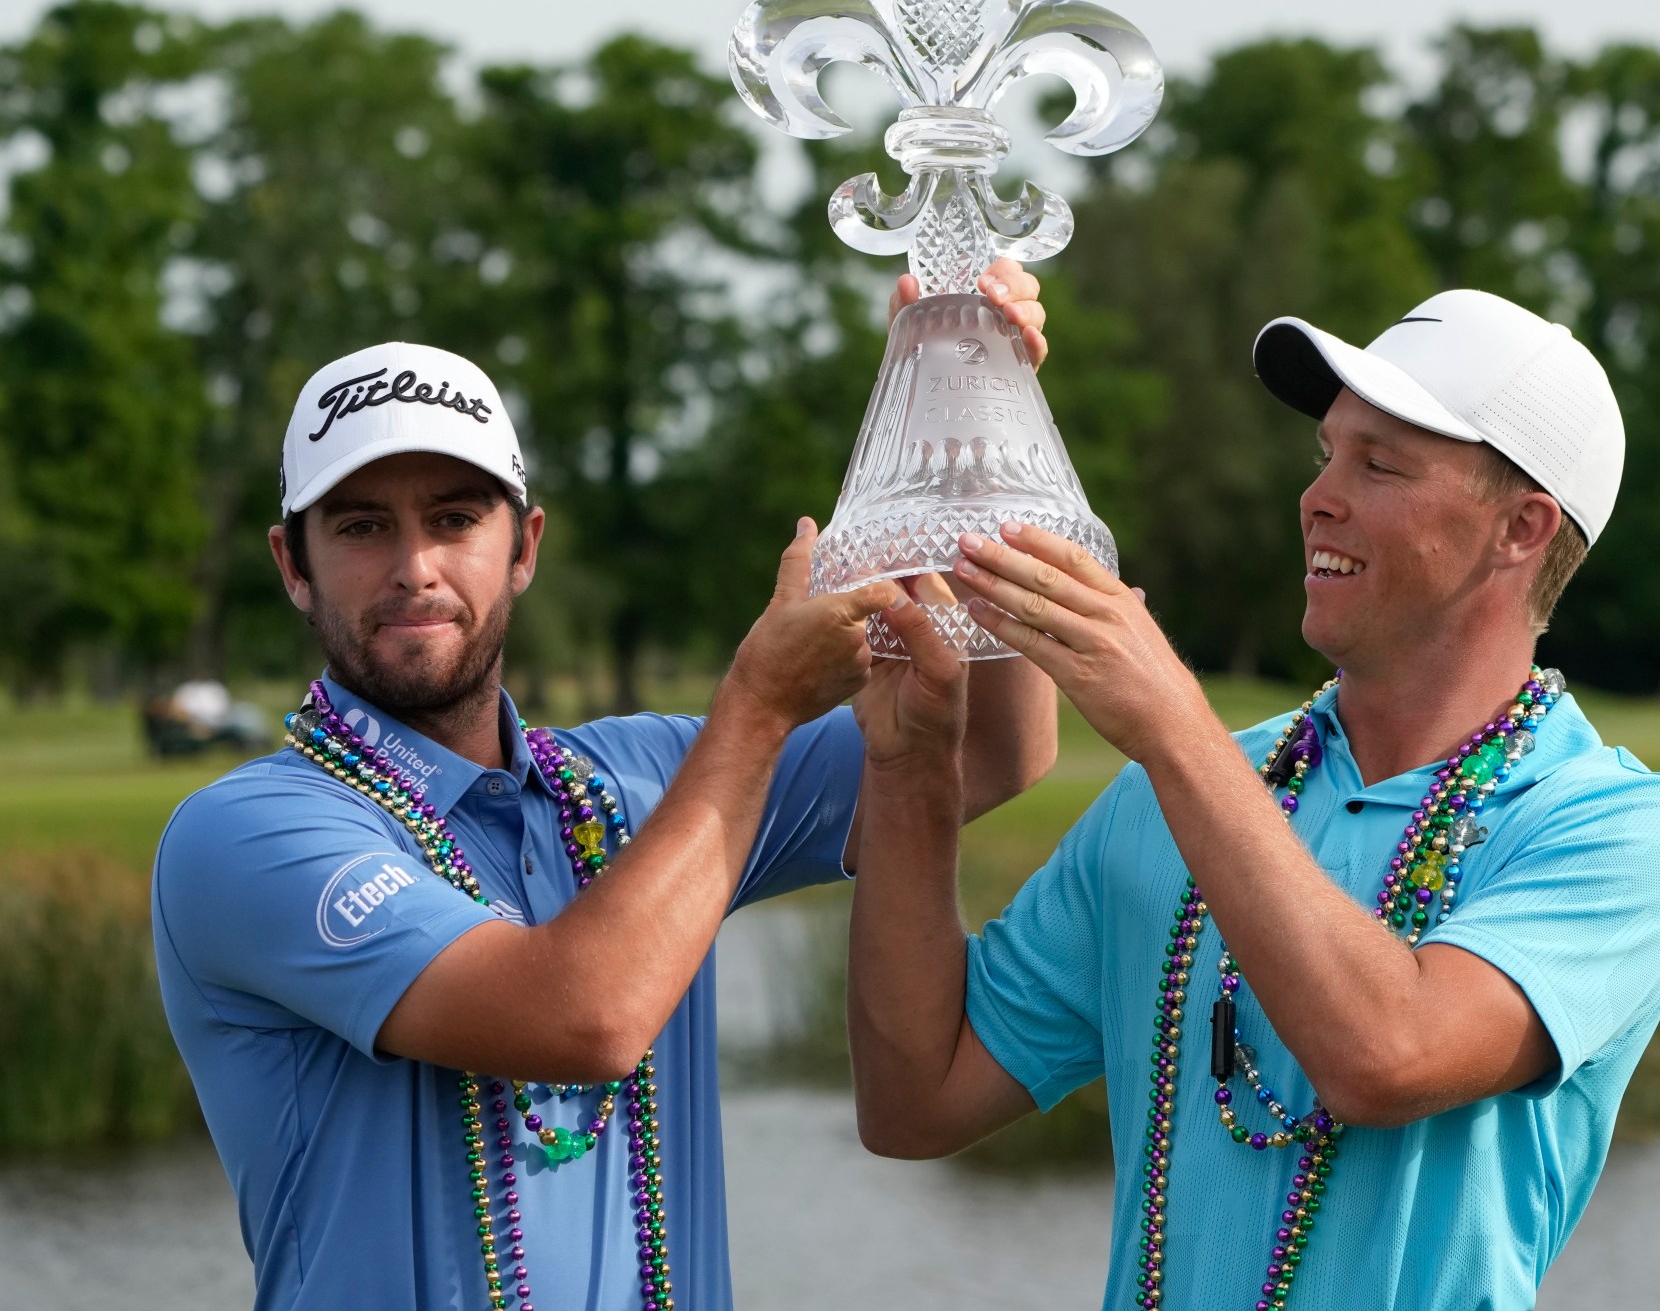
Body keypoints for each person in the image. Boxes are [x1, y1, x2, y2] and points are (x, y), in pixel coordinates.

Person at [151, 263, 1056, 1311]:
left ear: (524, 546)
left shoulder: (640, 780)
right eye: (359, 527)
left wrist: (982, 424)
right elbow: (582, 1019)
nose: (414, 568)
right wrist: (757, 709)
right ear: (292, 564)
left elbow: (989, 752)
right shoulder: (246, 834)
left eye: (454, 519)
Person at [843, 288, 1660, 1310]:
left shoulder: (1627, 831)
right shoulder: (1166, 798)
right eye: (1326, 456)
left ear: (1519, 529)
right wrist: (911, 769)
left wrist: (1173, 724)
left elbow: (1388, 1054)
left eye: (1379, 463)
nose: (1318, 497)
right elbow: (914, 1101)